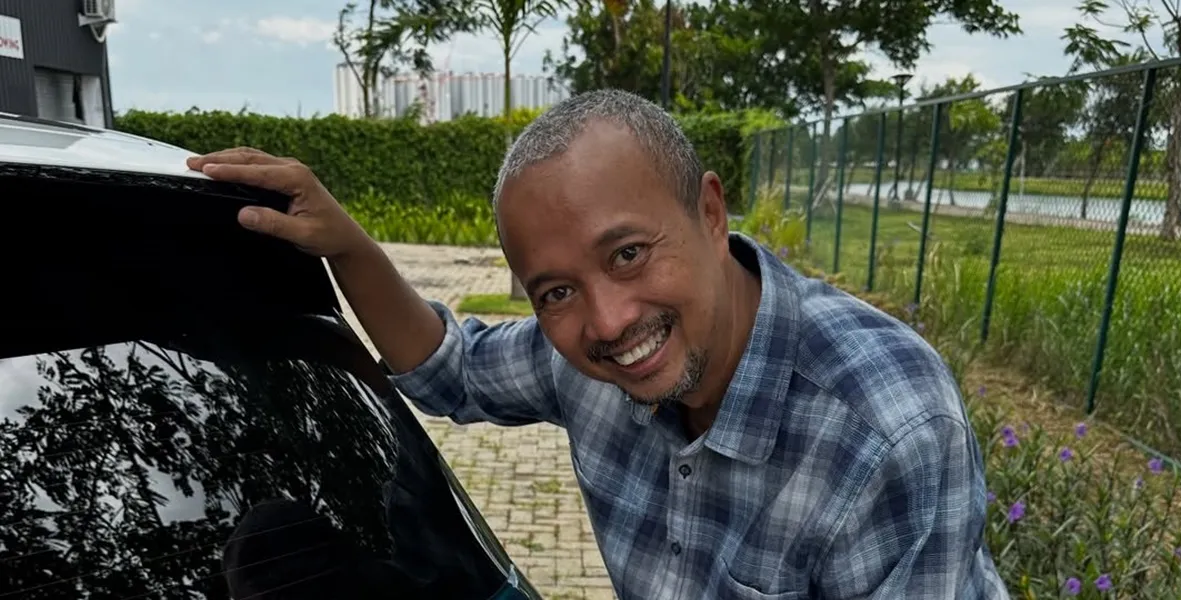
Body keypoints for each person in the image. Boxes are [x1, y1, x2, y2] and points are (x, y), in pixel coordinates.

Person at [187, 88, 1009, 600]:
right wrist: (350, 248)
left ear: (710, 213)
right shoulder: (582, 363)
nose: (608, 324)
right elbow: (449, 371)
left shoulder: (890, 429)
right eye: (557, 292)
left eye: (628, 254)